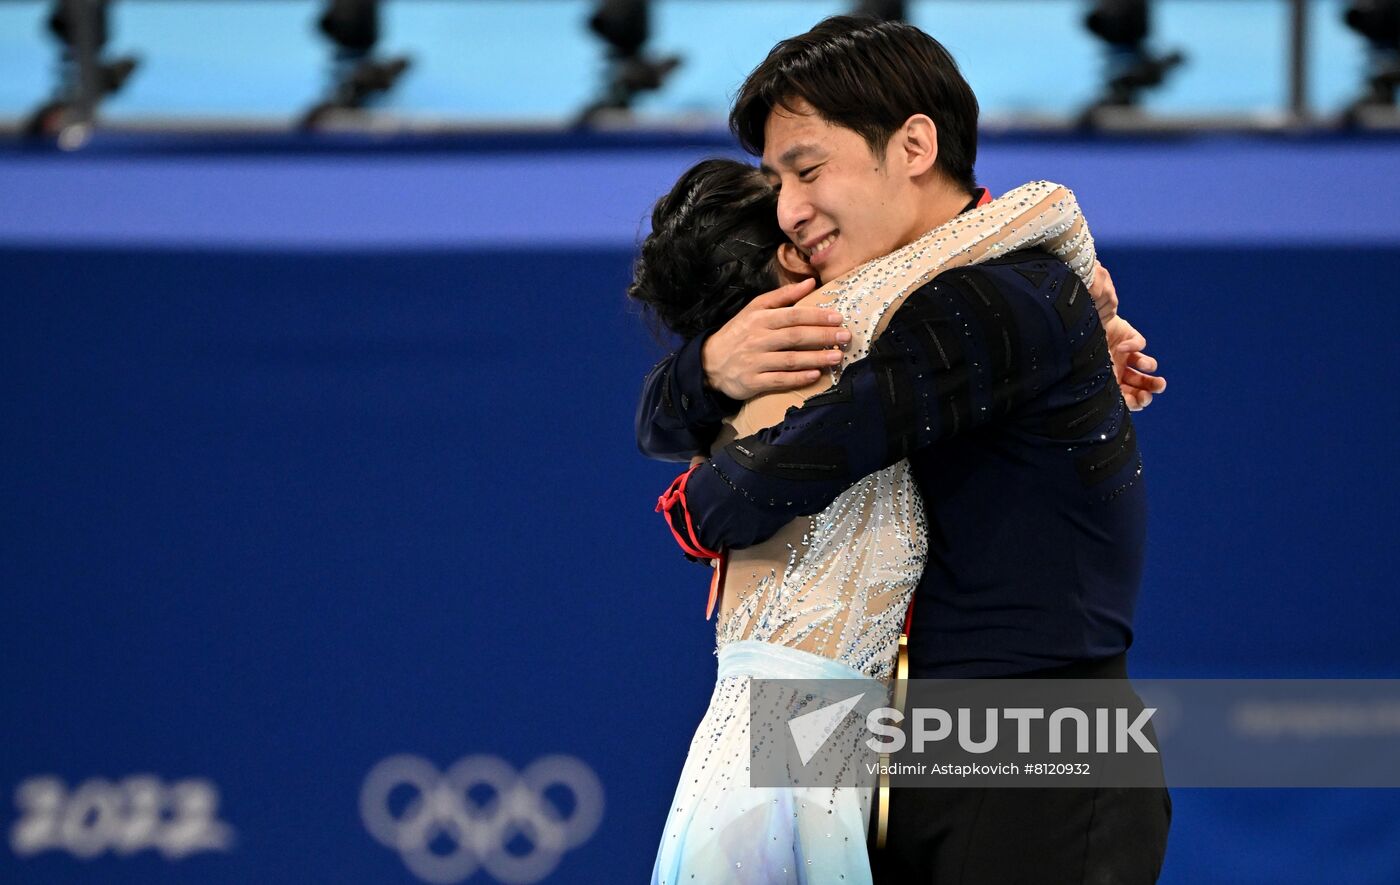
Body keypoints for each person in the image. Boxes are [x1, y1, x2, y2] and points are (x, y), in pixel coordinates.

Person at [646, 16, 1170, 884]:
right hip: (905, 753)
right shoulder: (960, 284)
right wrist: (707, 368)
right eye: (779, 182)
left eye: (808, 170)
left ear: (916, 144)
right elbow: (665, 415)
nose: (792, 209)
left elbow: (755, 485)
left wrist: (697, 481)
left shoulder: (985, 305)